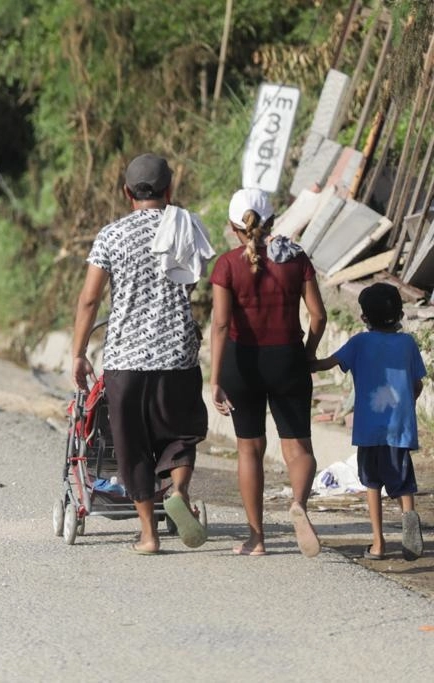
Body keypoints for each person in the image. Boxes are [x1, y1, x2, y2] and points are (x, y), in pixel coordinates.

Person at [71, 153, 212, 555]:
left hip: (126, 360)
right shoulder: (187, 226)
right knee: (180, 434)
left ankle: (148, 535)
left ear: (126, 193)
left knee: (132, 445)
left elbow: (89, 300)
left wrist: (79, 352)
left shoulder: (111, 236)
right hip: (176, 355)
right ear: (170, 190)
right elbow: (193, 282)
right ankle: (180, 491)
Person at [209, 188, 328, 558]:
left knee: (249, 449)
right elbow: (319, 316)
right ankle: (298, 505)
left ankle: (256, 539)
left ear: (233, 226)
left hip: (241, 364)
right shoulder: (296, 260)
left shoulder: (227, 265)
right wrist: (307, 355)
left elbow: (220, 324)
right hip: (288, 359)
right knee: (298, 446)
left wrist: (214, 379)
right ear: (273, 222)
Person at [312, 283, 425, 561]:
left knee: (372, 483)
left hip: (368, 430)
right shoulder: (408, 344)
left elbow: (325, 363)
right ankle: (409, 517)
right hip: (399, 429)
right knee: (403, 484)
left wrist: (303, 358)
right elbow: (417, 384)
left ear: (364, 317)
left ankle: (378, 543)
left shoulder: (359, 343)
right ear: (400, 314)